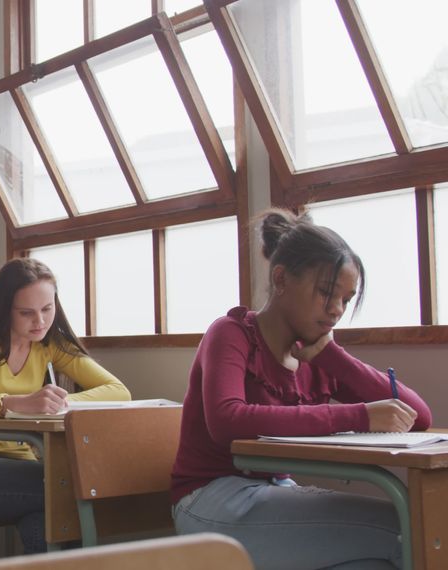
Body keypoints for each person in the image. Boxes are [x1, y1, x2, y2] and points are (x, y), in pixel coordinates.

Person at [170, 208, 432, 570]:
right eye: (326, 293)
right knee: (410, 529)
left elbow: (418, 417)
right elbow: (227, 419)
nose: (337, 309)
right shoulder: (230, 334)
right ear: (281, 279)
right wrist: (359, 415)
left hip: (277, 490)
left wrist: (333, 356)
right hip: (211, 501)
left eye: (346, 299)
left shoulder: (317, 355)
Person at [0, 258, 131, 560]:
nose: (39, 321)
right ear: (4, 307)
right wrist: (15, 403)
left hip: (24, 463)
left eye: (47, 309)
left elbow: (119, 392)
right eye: (26, 313)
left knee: (46, 516)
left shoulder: (50, 342)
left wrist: (56, 404)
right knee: (66, 490)